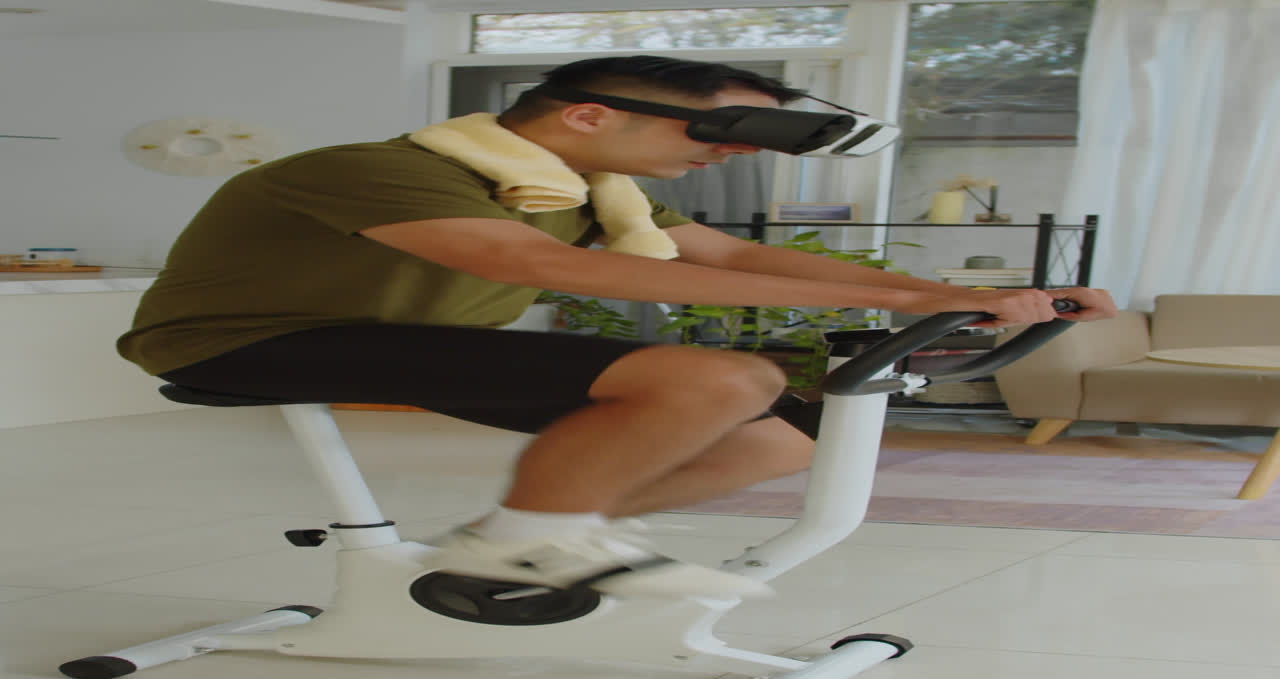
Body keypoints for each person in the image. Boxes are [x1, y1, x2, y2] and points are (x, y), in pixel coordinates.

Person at [118, 55, 1116, 600]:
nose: (718, 157)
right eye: (711, 132)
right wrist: (908, 303)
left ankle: (532, 536)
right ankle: (529, 539)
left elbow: (728, 258)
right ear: (589, 115)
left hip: (405, 338)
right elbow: (538, 268)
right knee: (712, 380)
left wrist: (946, 288)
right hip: (246, 336)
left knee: (775, 432)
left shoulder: (598, 190)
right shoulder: (377, 168)